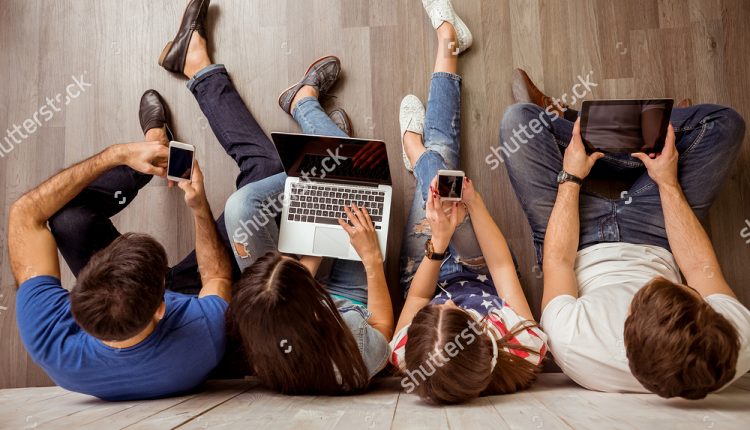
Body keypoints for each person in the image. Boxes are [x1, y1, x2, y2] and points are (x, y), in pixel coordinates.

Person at [8, 0, 283, 400]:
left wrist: (117, 154)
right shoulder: (201, 334)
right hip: (195, 293)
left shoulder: (48, 336)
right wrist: (199, 206)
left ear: (76, 298)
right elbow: (217, 279)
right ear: (162, 305)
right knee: (269, 178)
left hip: (132, 303)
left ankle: (155, 149)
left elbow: (25, 214)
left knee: (66, 218)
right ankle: (195, 63)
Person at [503, 73, 750, 399]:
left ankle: (583, 129)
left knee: (518, 122)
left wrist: (572, 175)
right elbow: (698, 266)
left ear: (627, 334)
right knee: (725, 124)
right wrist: (667, 183)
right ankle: (652, 145)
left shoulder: (574, 345)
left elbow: (558, 261)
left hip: (578, 242)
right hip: (658, 235)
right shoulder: (732, 342)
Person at [387, 0, 547, 405]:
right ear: (484, 334)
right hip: (480, 267)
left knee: (438, 174)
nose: (453, 303)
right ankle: (420, 148)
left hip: (426, 265)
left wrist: (438, 246)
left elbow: (421, 298)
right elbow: (501, 266)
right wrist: (473, 204)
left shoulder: (408, 356)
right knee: (444, 177)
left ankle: (420, 151)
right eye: (462, 312)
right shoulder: (523, 344)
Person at [222, 55, 394, 395]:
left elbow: (282, 286)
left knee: (241, 207)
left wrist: (310, 254)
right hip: (353, 300)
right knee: (361, 182)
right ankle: (312, 120)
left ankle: (325, 154)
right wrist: (372, 260)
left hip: (285, 296)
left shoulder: (257, 328)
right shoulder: (353, 356)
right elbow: (383, 328)